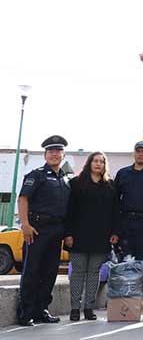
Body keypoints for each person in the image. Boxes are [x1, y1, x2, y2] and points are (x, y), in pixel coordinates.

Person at [16, 135, 72, 326]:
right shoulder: (36, 175)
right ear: (45, 155)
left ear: (63, 155)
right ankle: (26, 312)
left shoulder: (65, 178)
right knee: (32, 270)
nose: (54, 154)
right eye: (50, 152)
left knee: (49, 272)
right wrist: (25, 224)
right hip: (37, 230)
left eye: (57, 151)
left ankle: (42, 310)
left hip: (57, 230)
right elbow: (23, 198)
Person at [64, 152, 119, 321]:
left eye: (102, 162)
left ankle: (89, 307)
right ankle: (74, 308)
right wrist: (68, 234)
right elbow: (69, 210)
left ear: (105, 165)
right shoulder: (76, 183)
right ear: (89, 163)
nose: (98, 164)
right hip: (78, 235)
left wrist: (115, 232)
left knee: (94, 272)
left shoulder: (110, 186)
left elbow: (115, 212)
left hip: (101, 236)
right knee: (78, 272)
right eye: (95, 161)